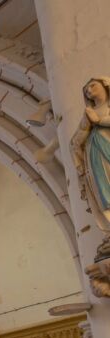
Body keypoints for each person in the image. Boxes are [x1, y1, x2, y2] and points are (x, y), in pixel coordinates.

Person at [72, 77, 110, 249]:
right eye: (86, 90)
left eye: (93, 85)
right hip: (95, 156)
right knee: (103, 192)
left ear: (105, 85)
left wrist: (99, 121)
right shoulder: (88, 112)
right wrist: (87, 124)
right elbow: (76, 140)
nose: (89, 90)